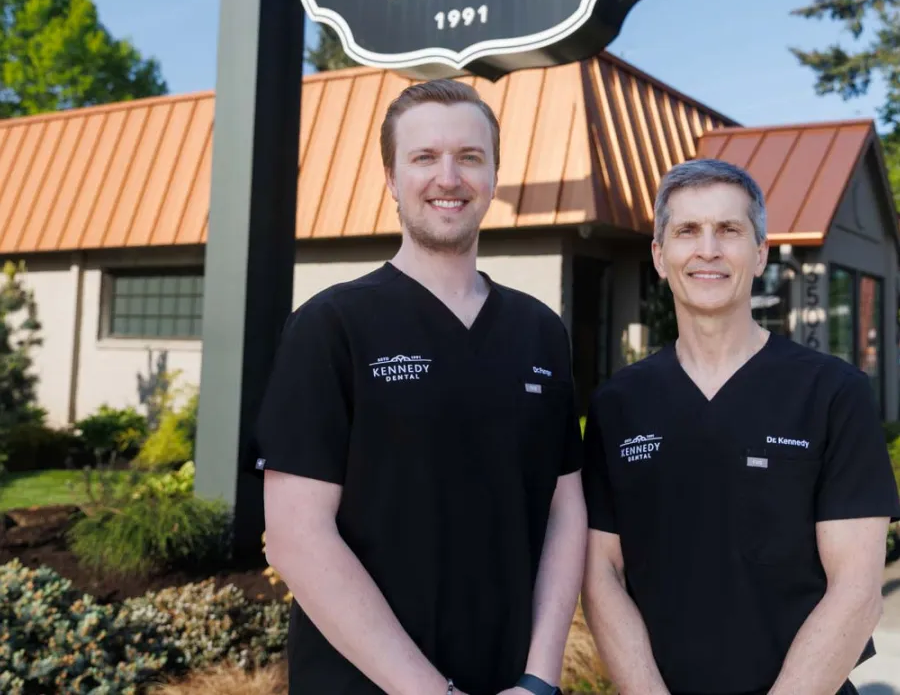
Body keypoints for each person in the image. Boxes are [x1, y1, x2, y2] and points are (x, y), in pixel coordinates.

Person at [252, 79, 586, 695]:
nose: (449, 177)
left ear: (493, 174)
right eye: (425, 157)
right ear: (391, 177)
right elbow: (296, 537)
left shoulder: (540, 332)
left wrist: (540, 677)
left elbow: (565, 509)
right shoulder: (332, 326)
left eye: (470, 157)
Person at [581, 157, 900, 695]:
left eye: (729, 229)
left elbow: (857, 588)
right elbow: (600, 574)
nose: (708, 249)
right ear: (660, 256)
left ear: (760, 254)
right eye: (687, 231)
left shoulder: (831, 392)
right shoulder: (618, 405)